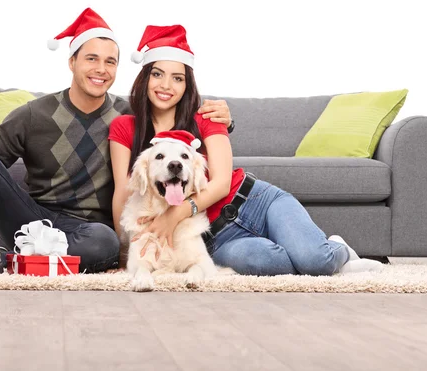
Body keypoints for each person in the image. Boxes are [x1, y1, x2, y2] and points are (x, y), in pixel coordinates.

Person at [0, 9, 233, 280]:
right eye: (91, 58)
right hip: (32, 216)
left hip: (88, 231)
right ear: (72, 61)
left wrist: (224, 120)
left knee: (105, 245)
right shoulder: (32, 114)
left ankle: (0, 253)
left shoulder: (129, 117)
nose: (101, 69)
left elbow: (173, 123)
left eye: (110, 61)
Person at [108, 24, 383, 276]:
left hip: (256, 200)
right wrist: (124, 257)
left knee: (316, 261)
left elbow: (221, 183)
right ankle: (307, 249)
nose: (166, 85)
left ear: (187, 85)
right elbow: (123, 190)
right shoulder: (125, 127)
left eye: (177, 78)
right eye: (157, 74)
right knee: (260, 264)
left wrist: (174, 214)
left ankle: (336, 250)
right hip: (218, 236)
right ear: (144, 78)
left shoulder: (207, 115)